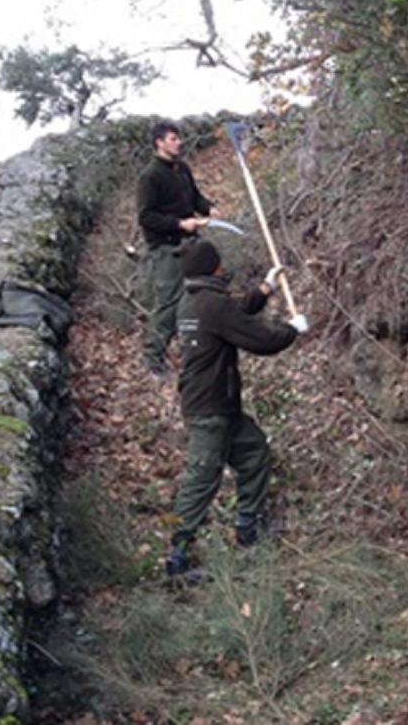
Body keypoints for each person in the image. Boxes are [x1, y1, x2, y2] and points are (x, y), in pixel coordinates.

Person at [164, 238, 310, 581]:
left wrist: (265, 288)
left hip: (220, 406)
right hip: (209, 411)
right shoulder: (210, 304)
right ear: (209, 268)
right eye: (217, 263)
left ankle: (248, 529)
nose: (221, 267)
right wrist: (292, 331)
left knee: (254, 452)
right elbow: (257, 337)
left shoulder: (195, 298)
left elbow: (235, 312)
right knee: (201, 479)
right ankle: (177, 558)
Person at [137, 120, 222, 376]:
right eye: (173, 139)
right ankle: (153, 358)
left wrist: (209, 208)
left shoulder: (181, 168)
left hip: (191, 244)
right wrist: (178, 224)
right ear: (159, 143)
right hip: (166, 249)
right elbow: (146, 217)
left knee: (201, 292)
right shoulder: (150, 176)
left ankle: (195, 348)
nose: (178, 142)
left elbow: (194, 197)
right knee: (170, 303)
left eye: (178, 138)